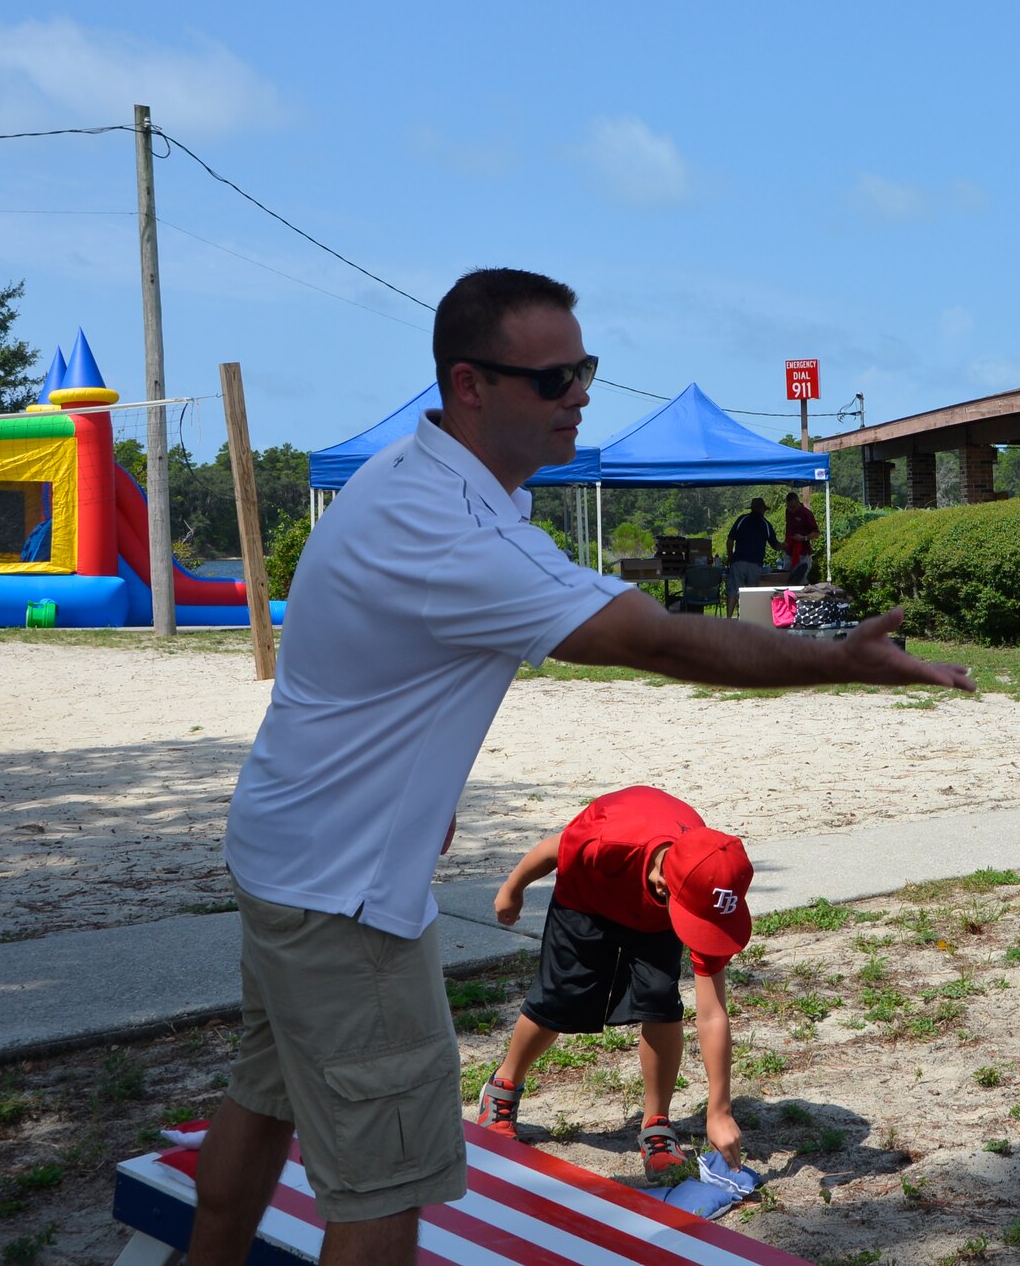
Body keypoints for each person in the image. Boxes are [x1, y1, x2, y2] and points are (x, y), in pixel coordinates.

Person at [188, 268, 972, 1266]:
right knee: (384, 1186)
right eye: (553, 378)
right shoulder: (449, 530)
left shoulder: (415, 483)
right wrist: (838, 662)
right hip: (345, 902)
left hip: (282, 856)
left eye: (585, 369)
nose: (581, 396)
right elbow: (658, 640)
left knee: (267, 1092)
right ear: (470, 385)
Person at [479, 787, 751, 1180]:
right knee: (561, 997)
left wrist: (720, 1110)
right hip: (587, 897)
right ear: (663, 882)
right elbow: (552, 851)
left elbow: (712, 1014)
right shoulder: (607, 843)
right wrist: (512, 890)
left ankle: (656, 1122)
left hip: (656, 918)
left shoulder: (704, 889)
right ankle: (504, 1084)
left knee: (660, 1001)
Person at [724, 497, 782, 613]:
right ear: (762, 509)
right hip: (755, 564)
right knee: (752, 592)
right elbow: (775, 546)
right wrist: (786, 545)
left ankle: (729, 618)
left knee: (733, 590)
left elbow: (730, 539)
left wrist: (730, 556)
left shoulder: (742, 519)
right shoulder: (766, 524)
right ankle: (750, 619)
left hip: (739, 561)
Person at [782, 491, 819, 582]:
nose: (791, 509)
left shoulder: (806, 514)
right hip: (789, 551)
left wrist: (804, 538)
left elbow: (816, 533)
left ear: (798, 503)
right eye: (789, 507)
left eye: (793, 507)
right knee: (787, 577)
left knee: (800, 578)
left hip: (803, 552)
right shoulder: (788, 512)